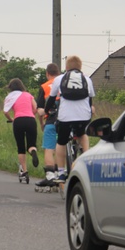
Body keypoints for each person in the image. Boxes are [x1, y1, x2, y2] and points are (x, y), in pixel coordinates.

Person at [45, 55, 95, 183]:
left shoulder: (59, 79)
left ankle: (61, 173)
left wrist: (47, 111)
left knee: (61, 142)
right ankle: (86, 161)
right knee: (82, 134)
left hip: (65, 117)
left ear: (66, 67)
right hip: (83, 117)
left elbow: (51, 99)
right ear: (80, 67)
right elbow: (90, 100)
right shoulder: (87, 80)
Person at [3, 78, 39, 184]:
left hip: (18, 121)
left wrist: (11, 119)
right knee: (31, 145)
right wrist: (31, 114)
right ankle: (33, 152)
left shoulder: (10, 97)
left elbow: (5, 111)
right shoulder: (28, 95)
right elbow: (35, 107)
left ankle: (25, 171)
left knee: (21, 147)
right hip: (31, 120)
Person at [34, 63, 61, 191]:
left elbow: (39, 109)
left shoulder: (44, 87)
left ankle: (50, 175)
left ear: (47, 74)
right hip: (67, 119)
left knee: (49, 148)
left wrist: (41, 122)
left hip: (51, 120)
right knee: (61, 147)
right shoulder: (65, 82)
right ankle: (61, 173)